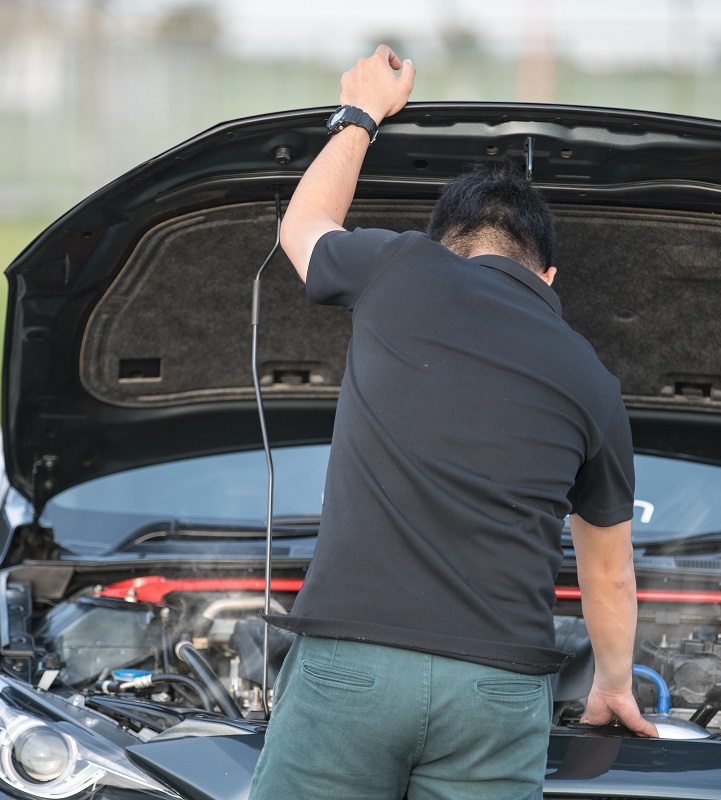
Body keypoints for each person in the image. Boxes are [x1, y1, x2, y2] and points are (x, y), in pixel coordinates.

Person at [249, 45, 656, 800]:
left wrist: (363, 113)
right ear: (550, 277)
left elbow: (303, 223)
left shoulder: (399, 268)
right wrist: (612, 685)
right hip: (496, 692)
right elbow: (609, 570)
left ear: (446, 246)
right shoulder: (591, 380)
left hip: (351, 670)